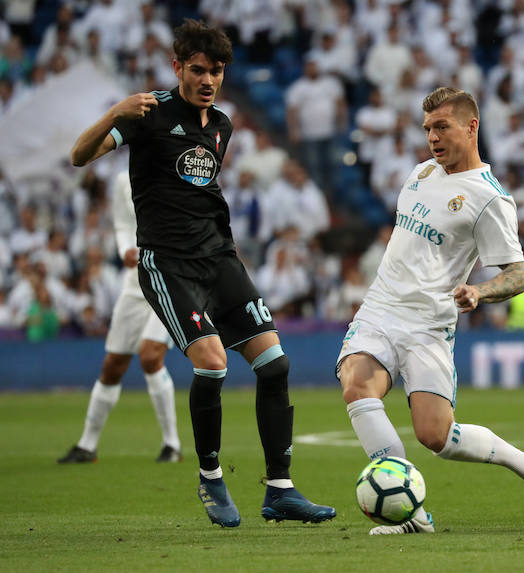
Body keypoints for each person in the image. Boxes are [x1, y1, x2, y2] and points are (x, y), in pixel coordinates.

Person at [69, 19, 335, 528]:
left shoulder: (223, 125)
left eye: (216, 71)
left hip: (220, 260)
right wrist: (115, 112)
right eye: (197, 70)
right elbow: (79, 155)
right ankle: (210, 476)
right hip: (168, 265)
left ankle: (280, 490)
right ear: (177, 68)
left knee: (275, 366)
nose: (208, 80)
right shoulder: (147, 114)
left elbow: (200, 193)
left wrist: (225, 250)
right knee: (212, 364)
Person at [336, 87, 524, 535]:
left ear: (471, 126)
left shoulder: (489, 198)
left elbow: (518, 274)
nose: (433, 139)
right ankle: (412, 514)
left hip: (429, 325)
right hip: (380, 309)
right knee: (357, 386)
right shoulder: (421, 173)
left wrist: (480, 292)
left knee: (436, 437)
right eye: (427, 129)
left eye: (442, 127)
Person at [58, 172, 182, 465]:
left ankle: (171, 444)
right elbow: (123, 223)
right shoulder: (124, 178)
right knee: (113, 364)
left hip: (172, 280)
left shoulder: (176, 167)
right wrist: (125, 247)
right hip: (135, 282)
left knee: (151, 356)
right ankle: (87, 445)